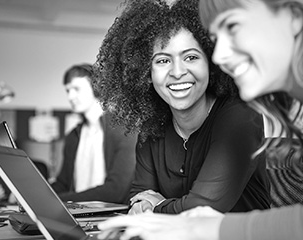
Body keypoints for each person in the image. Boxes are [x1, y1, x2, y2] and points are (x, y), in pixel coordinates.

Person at [96, 0, 303, 239]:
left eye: (233, 26)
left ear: (294, 17)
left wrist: (201, 225)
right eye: (216, 39)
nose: (219, 56)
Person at [93, 0, 271, 215]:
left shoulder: (240, 116)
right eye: (162, 61)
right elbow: (139, 197)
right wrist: (145, 206)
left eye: (191, 57)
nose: (177, 72)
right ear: (145, 73)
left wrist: (157, 206)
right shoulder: (152, 128)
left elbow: (204, 208)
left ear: (211, 64)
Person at [50, 63, 137, 204]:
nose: (71, 97)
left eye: (76, 89)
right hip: (76, 215)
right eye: (68, 91)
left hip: (111, 217)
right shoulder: (73, 136)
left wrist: (59, 201)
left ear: (96, 88)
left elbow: (116, 191)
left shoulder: (123, 130)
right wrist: (34, 197)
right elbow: (63, 184)